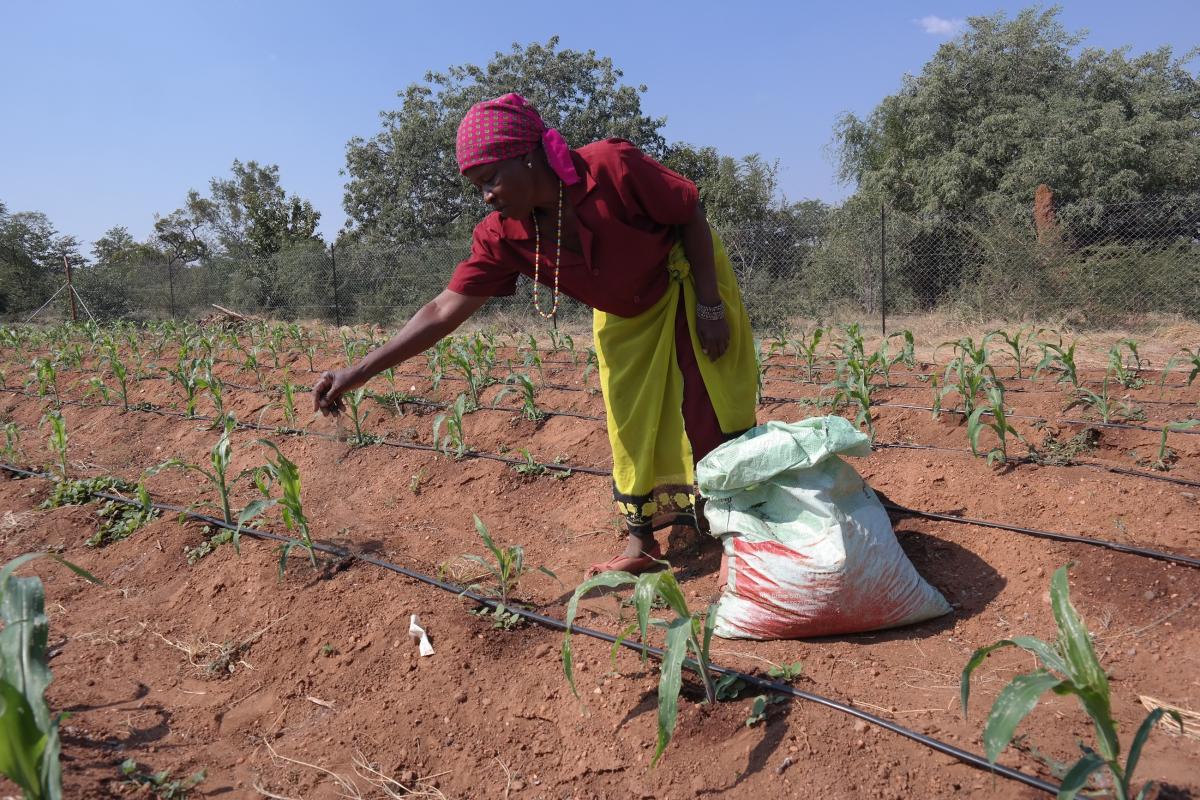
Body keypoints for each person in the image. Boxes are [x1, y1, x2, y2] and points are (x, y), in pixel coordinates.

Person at [313, 93, 757, 576]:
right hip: (626, 317)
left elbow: (688, 213)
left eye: (491, 179)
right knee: (631, 418)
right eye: (478, 187)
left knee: (704, 400)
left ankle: (733, 517)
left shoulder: (612, 167)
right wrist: (358, 372)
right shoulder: (503, 235)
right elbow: (443, 310)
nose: (487, 195)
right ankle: (642, 544)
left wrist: (711, 305)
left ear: (529, 156)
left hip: (688, 284)